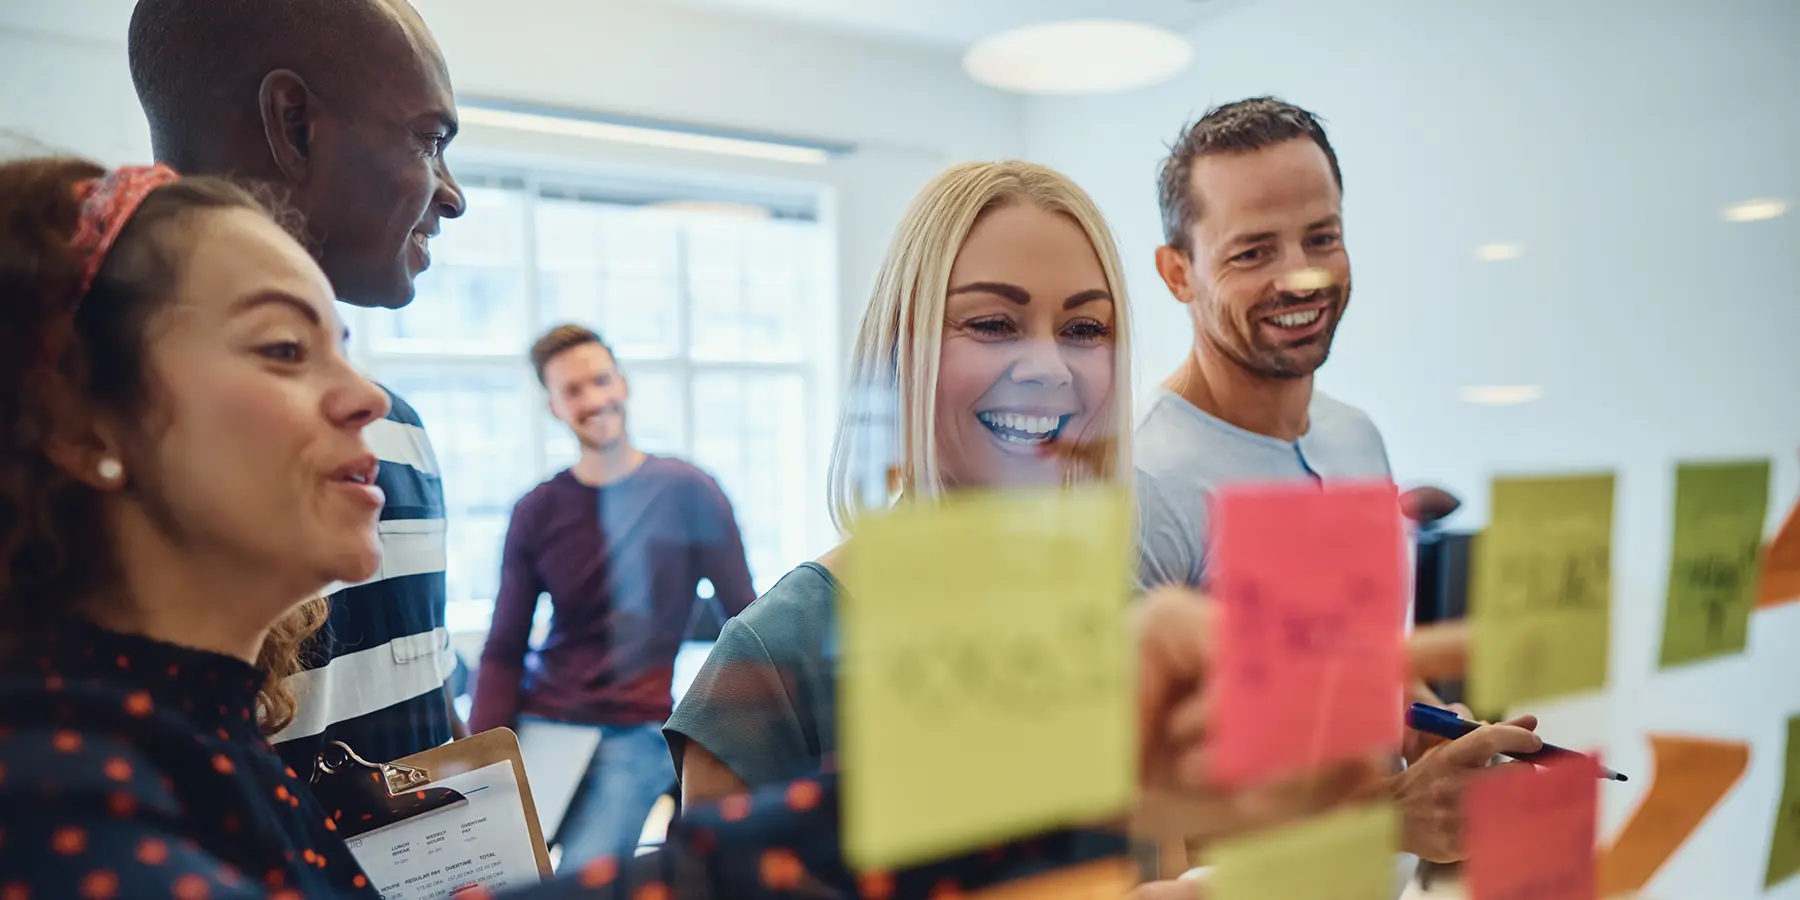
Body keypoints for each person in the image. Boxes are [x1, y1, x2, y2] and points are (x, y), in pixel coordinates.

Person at [1132, 97, 1540, 867]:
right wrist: (1390, 818)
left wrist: (1434, 726)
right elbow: (1143, 838)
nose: (1300, 276)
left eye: (1322, 237)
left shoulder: (1356, 438)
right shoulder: (1140, 481)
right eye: (1253, 252)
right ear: (1177, 273)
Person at [664, 160, 1139, 801]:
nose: (1049, 368)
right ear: (899, 349)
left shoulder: (1125, 622)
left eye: (1084, 329)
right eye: (993, 324)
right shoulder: (774, 665)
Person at [127, 0, 470, 773]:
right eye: (430, 140)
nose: (451, 195)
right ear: (295, 124)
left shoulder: (400, 432)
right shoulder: (118, 454)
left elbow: (428, 716)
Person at [471, 324, 757, 865]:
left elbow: (744, 619)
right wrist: (480, 765)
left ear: (623, 384)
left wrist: (723, 730)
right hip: (545, 723)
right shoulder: (537, 509)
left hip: (635, 730)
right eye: (573, 390)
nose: (594, 399)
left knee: (585, 877)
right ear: (554, 407)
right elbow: (505, 648)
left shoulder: (688, 490)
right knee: (500, 874)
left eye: (601, 380)